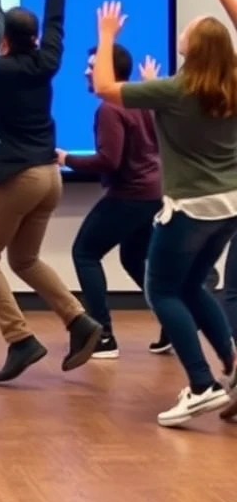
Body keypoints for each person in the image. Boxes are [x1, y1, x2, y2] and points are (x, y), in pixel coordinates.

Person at [95, 0, 237, 427]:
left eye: (188, 31)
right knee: (195, 285)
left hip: (189, 209)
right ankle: (233, 368)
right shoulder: (231, 83)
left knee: (162, 290)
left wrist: (107, 36)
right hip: (228, 207)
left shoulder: (176, 90)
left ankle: (201, 384)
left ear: (193, 50)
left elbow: (105, 88)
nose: (181, 32)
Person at [0, 0, 102, 383]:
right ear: (34, 38)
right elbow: (57, 22)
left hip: (19, 178)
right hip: (51, 175)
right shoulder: (45, 62)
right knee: (24, 260)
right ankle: (80, 321)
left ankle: (19, 339)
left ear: (2, 39)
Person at [59, 44, 163, 359]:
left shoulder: (109, 107)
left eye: (92, 66)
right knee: (133, 259)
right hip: (153, 193)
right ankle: (172, 324)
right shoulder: (140, 98)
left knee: (85, 252)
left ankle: (103, 335)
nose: (86, 71)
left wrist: (67, 159)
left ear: (107, 71)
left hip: (130, 195)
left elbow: (109, 161)